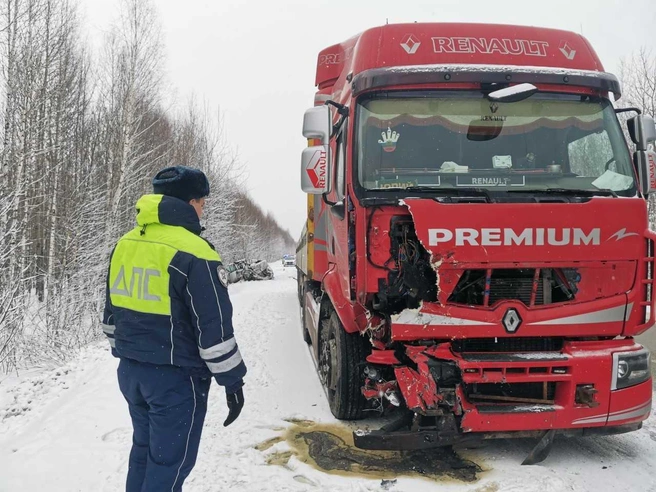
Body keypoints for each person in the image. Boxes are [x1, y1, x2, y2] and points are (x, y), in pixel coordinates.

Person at [102, 165, 247, 492]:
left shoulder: (124, 244)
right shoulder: (196, 252)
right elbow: (214, 334)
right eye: (202, 202)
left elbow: (110, 318)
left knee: (144, 452)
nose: (204, 208)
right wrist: (232, 381)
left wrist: (132, 353)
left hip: (131, 374)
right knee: (169, 467)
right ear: (190, 202)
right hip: (175, 382)